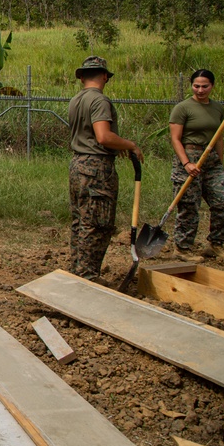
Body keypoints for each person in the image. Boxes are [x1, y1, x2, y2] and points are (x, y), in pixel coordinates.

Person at [67, 56, 142, 281]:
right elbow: (103, 136)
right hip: (97, 168)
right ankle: (88, 276)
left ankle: (77, 271)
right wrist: (131, 145)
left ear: (81, 77)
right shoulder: (99, 101)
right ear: (105, 76)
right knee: (97, 223)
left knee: (80, 221)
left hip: (78, 165)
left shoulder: (75, 100)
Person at [168, 69, 224, 263]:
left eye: (204, 86)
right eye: (196, 86)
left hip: (211, 160)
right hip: (189, 158)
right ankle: (182, 247)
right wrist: (186, 163)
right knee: (189, 206)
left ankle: (216, 243)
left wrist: (220, 163)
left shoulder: (217, 108)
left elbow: (219, 137)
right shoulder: (183, 108)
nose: (200, 90)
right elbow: (175, 139)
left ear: (212, 86)